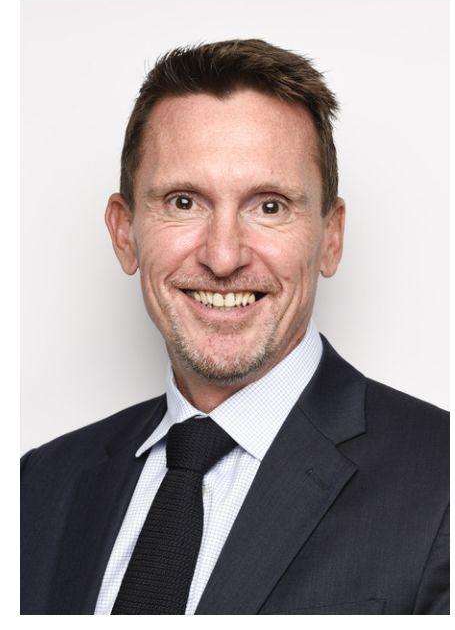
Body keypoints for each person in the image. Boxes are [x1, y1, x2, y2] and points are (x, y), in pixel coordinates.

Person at [21, 38, 449, 615]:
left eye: (269, 206)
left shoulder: (440, 479)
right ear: (124, 234)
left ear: (331, 237)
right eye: (183, 202)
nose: (223, 257)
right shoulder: (38, 486)